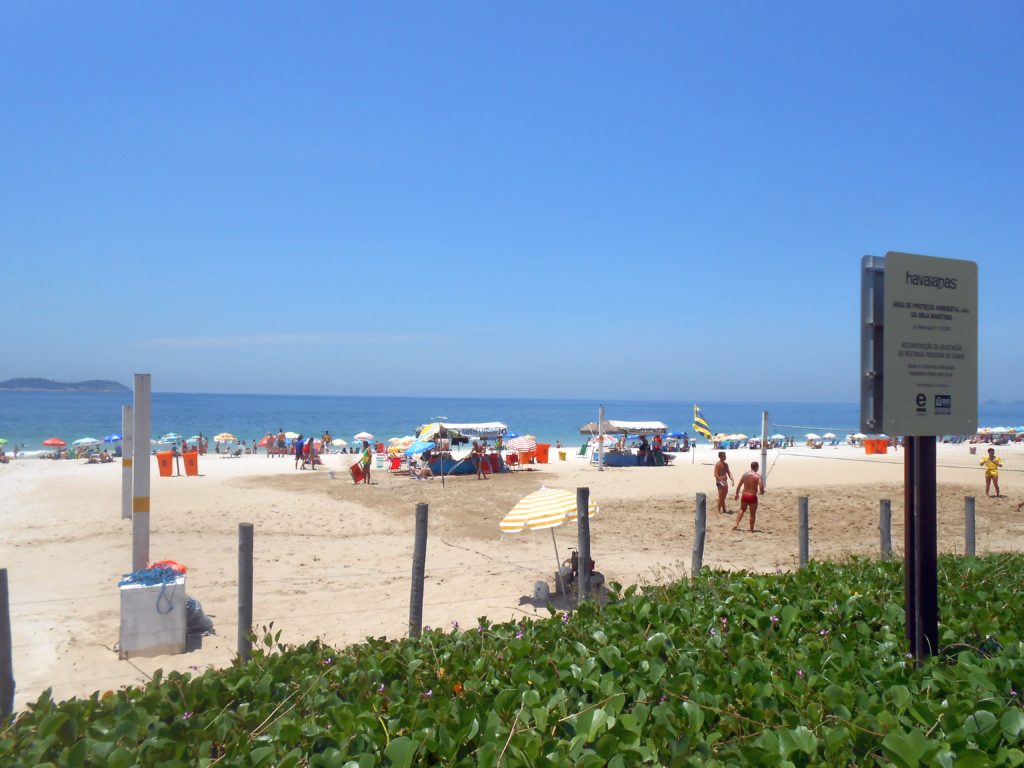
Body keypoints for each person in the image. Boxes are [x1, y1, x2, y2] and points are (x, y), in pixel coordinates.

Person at [733, 461, 766, 532]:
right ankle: (751, 529)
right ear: (757, 467)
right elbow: (761, 487)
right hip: (752, 496)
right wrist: (762, 492)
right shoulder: (758, 476)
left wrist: (736, 494)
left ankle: (736, 524)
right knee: (752, 514)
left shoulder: (745, 474)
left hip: (744, 495)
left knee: (742, 510)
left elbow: (739, 485)